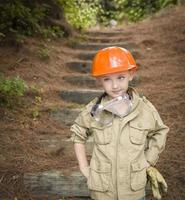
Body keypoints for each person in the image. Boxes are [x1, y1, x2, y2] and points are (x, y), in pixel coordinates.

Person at [70, 46, 169, 200]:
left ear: (131, 74)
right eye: (107, 79)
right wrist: (84, 167)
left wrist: (148, 160)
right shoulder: (94, 109)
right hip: (102, 190)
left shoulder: (144, 109)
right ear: (99, 80)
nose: (115, 85)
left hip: (133, 190)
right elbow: (78, 133)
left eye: (120, 77)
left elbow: (160, 131)